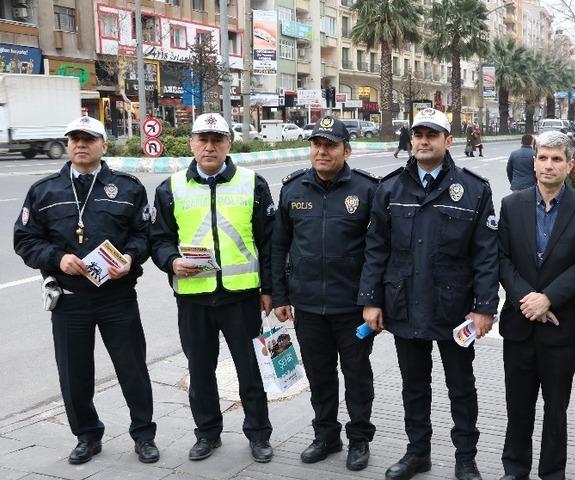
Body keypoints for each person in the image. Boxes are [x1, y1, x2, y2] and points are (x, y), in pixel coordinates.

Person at [358, 108, 499, 480]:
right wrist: (371, 299)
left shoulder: (473, 189)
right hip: (404, 304)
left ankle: (465, 458)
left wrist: (485, 308)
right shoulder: (390, 188)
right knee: (414, 386)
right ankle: (417, 452)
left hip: (455, 310)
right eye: (418, 134)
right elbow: (376, 249)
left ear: (447, 141)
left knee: (461, 388)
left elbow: (486, 254)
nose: (423, 140)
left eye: (431, 135)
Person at [13, 116, 159, 465]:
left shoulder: (127, 188)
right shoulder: (45, 190)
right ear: (67, 145)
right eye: (75, 138)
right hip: (69, 300)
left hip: (117, 297)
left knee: (132, 368)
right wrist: (57, 258)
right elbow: (25, 240)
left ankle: (143, 435)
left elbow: (145, 235)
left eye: (89, 138)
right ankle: (87, 435)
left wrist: (130, 256)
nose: (81, 144)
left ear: (103, 146)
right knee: (74, 373)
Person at [150, 113, 275, 463]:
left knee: (250, 370)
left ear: (228, 145)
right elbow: (158, 239)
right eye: (202, 139)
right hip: (193, 298)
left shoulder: (253, 183)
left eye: (217, 139)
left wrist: (269, 290)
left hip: (241, 297)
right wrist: (171, 261)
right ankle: (207, 433)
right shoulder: (170, 188)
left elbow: (269, 243)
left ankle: (258, 434)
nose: (209, 146)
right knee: (200, 371)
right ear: (191, 143)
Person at [272, 117, 379, 471]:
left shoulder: (367, 190)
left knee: (357, 375)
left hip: (351, 306)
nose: (321, 151)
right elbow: (279, 246)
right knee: (319, 375)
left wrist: (372, 300)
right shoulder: (293, 188)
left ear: (346, 150)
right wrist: (280, 295)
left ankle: (359, 439)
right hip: (307, 304)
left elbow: (379, 250)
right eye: (316, 144)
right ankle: (326, 435)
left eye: (330, 145)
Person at [497, 131, 575, 480]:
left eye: (557, 159)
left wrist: (549, 298)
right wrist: (527, 299)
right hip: (519, 325)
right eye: (543, 157)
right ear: (534, 161)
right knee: (518, 405)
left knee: (556, 408)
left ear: (570, 164)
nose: (548, 165)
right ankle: (515, 469)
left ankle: (552, 472)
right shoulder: (512, 205)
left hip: (562, 327)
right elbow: (502, 258)